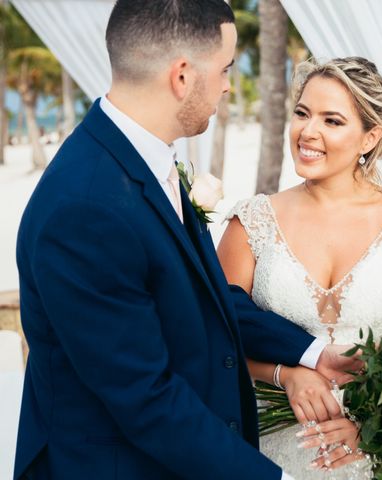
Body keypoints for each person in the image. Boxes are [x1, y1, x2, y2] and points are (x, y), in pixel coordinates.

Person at [13, 2, 357, 479]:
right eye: (224, 69)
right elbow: (144, 397)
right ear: (181, 76)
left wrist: (313, 353)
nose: (227, 85)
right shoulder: (86, 208)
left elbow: (200, 298)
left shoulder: (144, 161)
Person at [218, 57, 382, 478]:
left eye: (333, 120)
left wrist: (372, 430)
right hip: (269, 455)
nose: (308, 132)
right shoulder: (251, 222)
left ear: (369, 138)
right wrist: (285, 374)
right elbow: (215, 338)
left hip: (376, 457)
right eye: (302, 113)